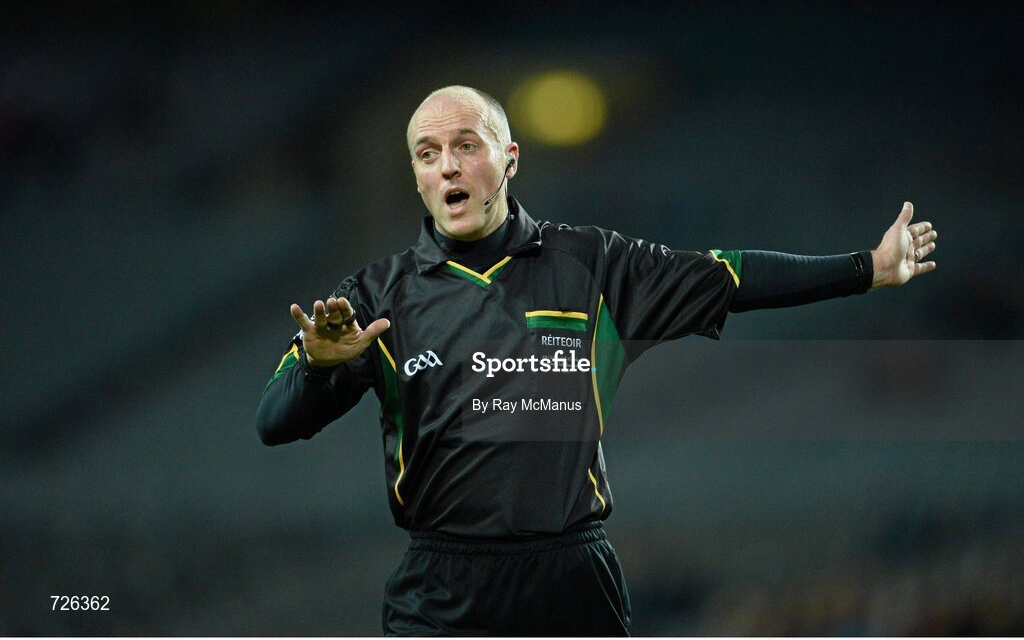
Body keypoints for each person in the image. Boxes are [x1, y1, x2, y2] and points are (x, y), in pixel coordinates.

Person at [256, 85, 938, 636]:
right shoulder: (372, 298)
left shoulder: (595, 263)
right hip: (440, 589)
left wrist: (866, 268)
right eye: (428, 153)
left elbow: (730, 277)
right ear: (416, 174)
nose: (449, 166)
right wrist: (318, 367)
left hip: (570, 579)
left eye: (468, 146)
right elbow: (273, 423)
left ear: (510, 157)